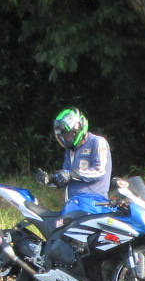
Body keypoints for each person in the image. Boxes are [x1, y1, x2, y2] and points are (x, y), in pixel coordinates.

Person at [41, 108, 113, 272]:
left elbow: (100, 170)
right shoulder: (70, 151)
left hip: (94, 202)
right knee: (65, 242)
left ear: (78, 128)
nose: (67, 139)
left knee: (86, 247)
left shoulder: (97, 142)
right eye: (64, 136)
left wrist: (72, 174)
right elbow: (65, 177)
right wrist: (50, 180)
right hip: (73, 205)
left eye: (69, 134)